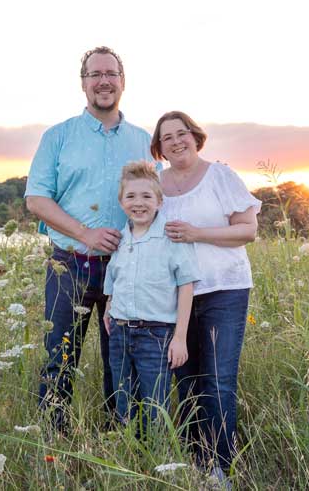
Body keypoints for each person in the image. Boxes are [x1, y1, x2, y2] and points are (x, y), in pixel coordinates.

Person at [24, 46, 156, 434]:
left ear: (122, 82)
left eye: (111, 74)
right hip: (69, 263)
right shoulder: (59, 137)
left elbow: (159, 201)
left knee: (122, 359)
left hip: (127, 268)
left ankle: (119, 441)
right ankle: (54, 443)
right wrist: (86, 234)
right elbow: (36, 199)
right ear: (83, 83)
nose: (104, 81)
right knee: (60, 358)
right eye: (95, 74)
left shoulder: (144, 141)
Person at [151, 111, 261, 479]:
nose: (176, 141)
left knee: (217, 380)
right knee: (184, 381)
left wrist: (197, 233)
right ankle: (196, 463)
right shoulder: (155, 184)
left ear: (195, 137)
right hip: (175, 295)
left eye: (182, 133)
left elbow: (248, 230)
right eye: (167, 138)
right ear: (160, 147)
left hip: (224, 290)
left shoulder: (221, 176)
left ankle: (221, 469)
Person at [102, 161, 199, 435]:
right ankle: (129, 461)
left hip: (156, 335)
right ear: (121, 202)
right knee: (123, 400)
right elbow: (114, 278)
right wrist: (110, 305)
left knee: (155, 405)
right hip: (120, 333)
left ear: (159, 201)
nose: (138, 203)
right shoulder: (121, 239)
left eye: (146, 196)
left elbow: (186, 286)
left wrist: (180, 337)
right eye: (131, 196)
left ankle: (157, 461)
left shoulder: (171, 237)